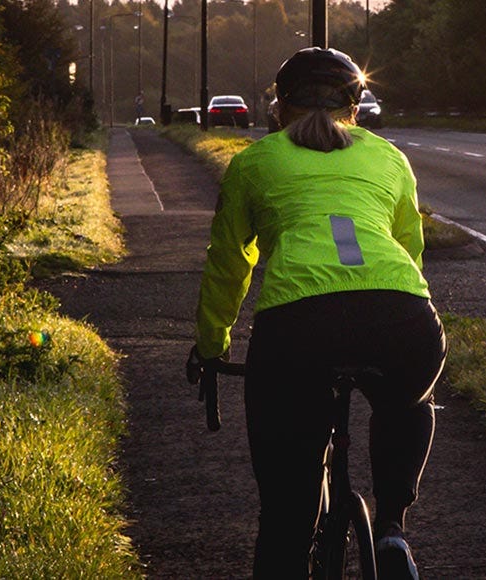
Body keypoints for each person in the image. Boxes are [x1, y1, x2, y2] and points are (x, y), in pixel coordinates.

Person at [188, 47, 446, 579]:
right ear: (355, 104)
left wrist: (213, 345)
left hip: (299, 329)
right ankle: (393, 529)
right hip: (402, 315)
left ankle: (291, 544)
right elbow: (410, 249)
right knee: (409, 401)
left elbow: (230, 263)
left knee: (286, 516)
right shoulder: (389, 157)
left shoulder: (255, 162)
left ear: (278, 107)